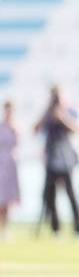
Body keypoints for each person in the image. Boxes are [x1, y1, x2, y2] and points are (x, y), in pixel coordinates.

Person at [34, 85, 79, 237]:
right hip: (51, 159)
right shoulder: (48, 114)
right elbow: (35, 129)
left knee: (71, 193)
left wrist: (62, 118)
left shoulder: (69, 112)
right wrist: (47, 114)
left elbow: (77, 130)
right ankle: (56, 228)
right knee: (50, 195)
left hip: (66, 157)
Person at [0, 101, 20, 241]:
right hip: (1, 164)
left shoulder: (16, 127)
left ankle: (5, 228)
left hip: (11, 165)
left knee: (9, 199)